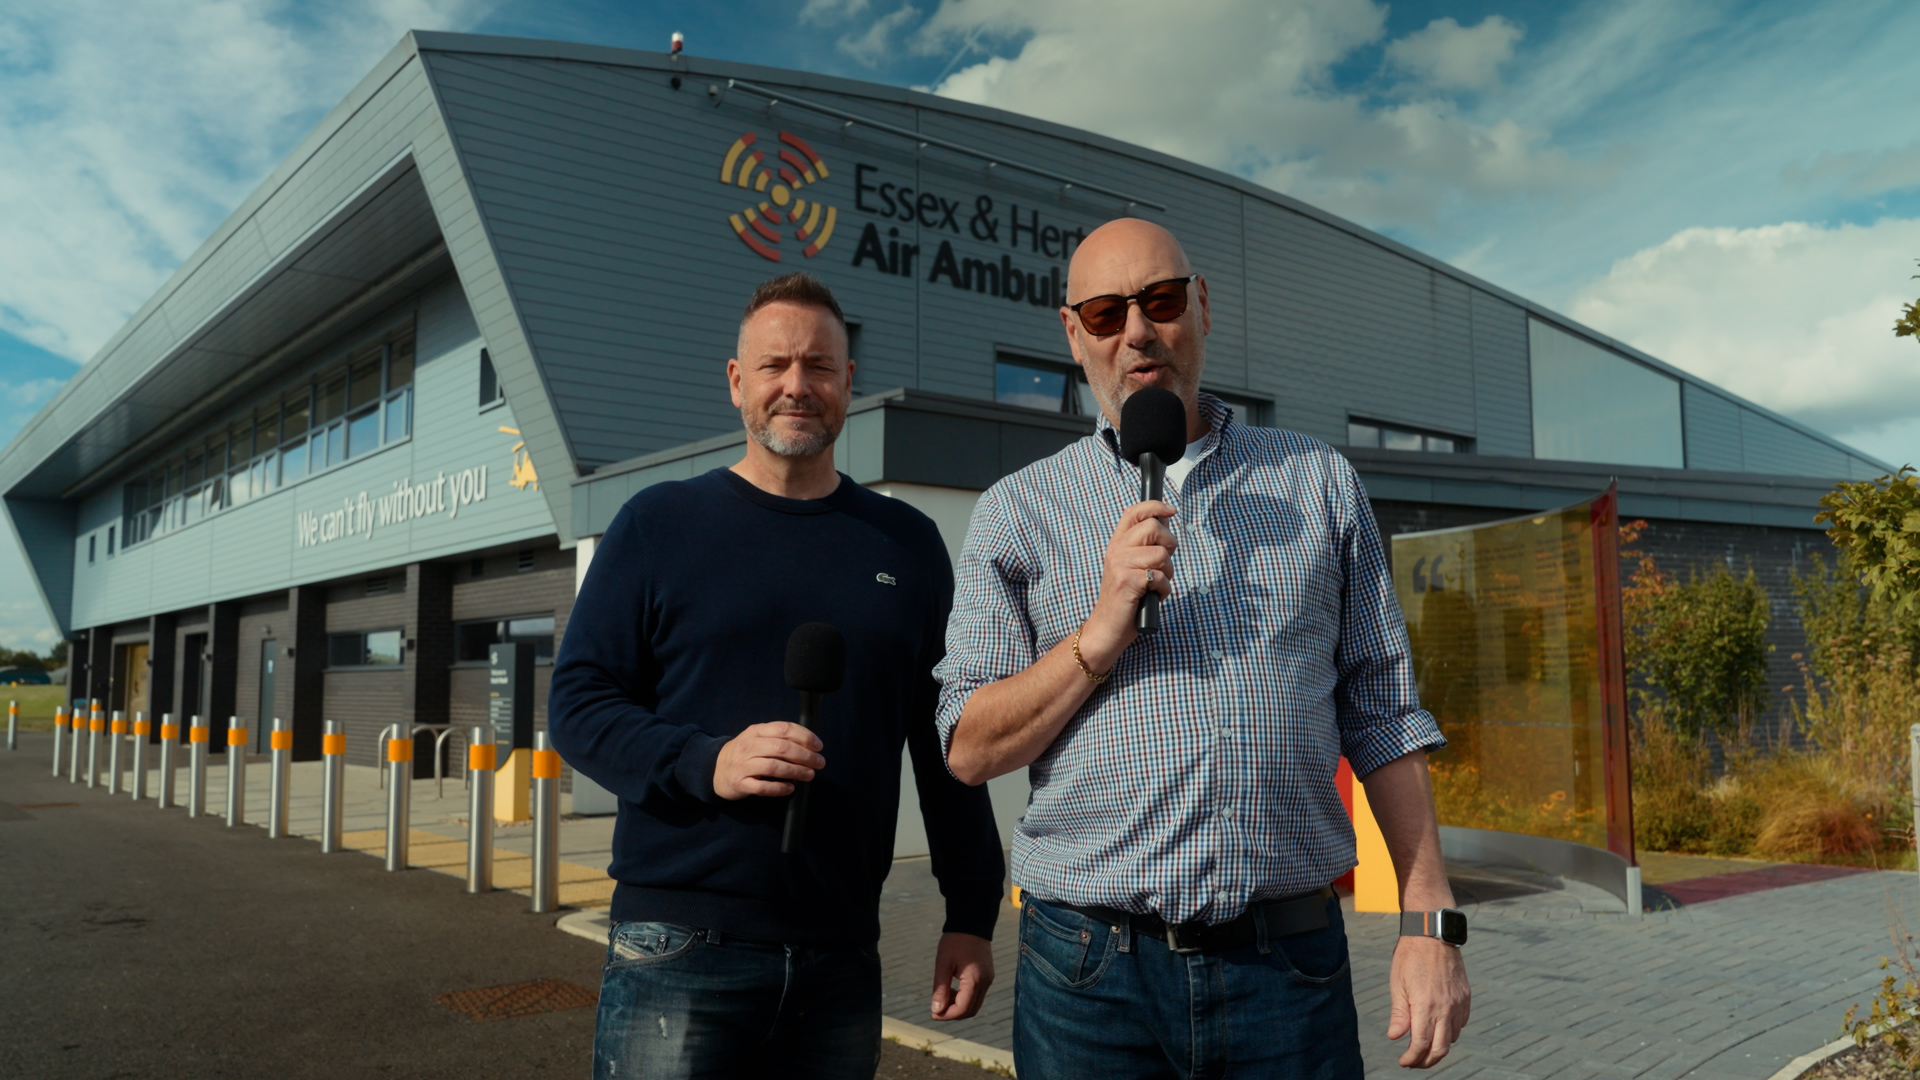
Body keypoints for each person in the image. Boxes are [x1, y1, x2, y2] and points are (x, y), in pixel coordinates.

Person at [935, 219, 1472, 1078]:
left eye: (1161, 300)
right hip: (1086, 981)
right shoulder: (1018, 510)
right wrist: (1099, 632)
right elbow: (968, 747)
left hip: (1286, 971)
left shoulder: (1317, 481)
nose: (1137, 331)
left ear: (1203, 306)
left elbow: (1384, 714)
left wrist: (1429, 921)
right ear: (1073, 334)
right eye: (1106, 313)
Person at [550, 272, 1005, 1080]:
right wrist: (707, 761)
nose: (797, 385)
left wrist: (970, 911)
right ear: (737, 382)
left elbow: (947, 740)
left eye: (819, 366)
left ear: (848, 382)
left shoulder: (905, 543)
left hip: (841, 952)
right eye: (774, 365)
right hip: (678, 943)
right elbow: (579, 706)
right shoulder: (658, 524)